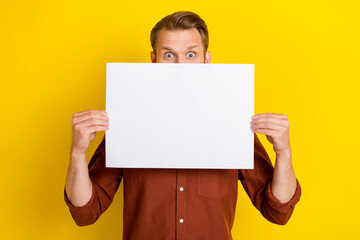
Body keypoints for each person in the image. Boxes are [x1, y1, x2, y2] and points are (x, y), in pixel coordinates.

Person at [64, 11, 301, 240]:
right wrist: (77, 152)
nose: (179, 65)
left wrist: (284, 152)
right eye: (169, 55)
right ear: (153, 59)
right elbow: (86, 211)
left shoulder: (234, 123)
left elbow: (277, 211)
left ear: (206, 59)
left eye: (190, 54)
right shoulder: (126, 122)